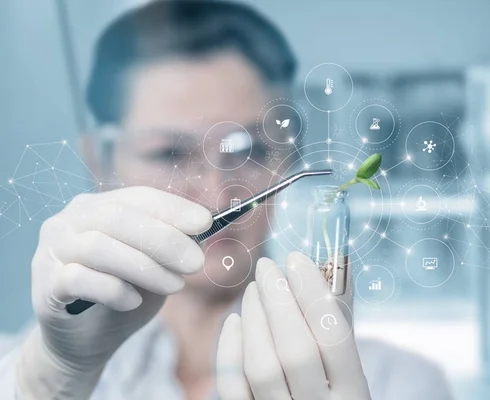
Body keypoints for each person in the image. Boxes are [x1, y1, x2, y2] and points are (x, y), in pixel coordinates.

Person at [0, 1, 453, 399]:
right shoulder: (25, 369)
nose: (217, 195)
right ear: (100, 161)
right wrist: (51, 380)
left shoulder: (397, 384)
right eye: (170, 153)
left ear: (288, 160)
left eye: (250, 151)